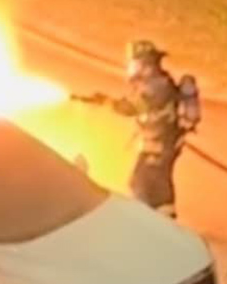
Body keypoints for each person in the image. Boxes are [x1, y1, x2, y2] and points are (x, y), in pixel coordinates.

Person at [80, 40, 200, 219]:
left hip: (159, 146)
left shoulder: (154, 86)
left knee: (141, 183)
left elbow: (131, 107)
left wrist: (106, 101)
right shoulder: (158, 82)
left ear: (144, 64)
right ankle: (165, 219)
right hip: (163, 144)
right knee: (156, 182)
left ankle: (153, 223)